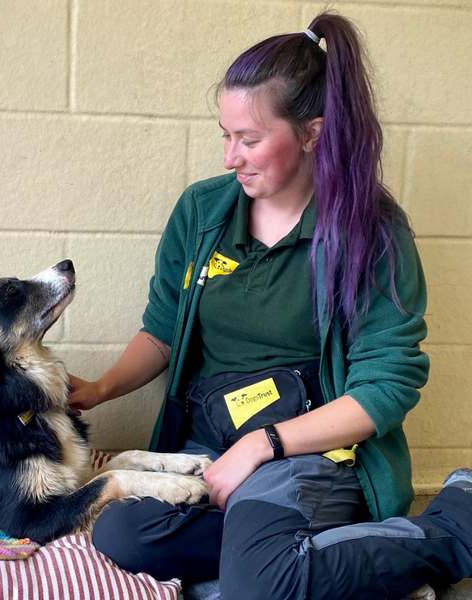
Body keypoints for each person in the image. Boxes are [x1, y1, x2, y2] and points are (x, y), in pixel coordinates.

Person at [68, 11, 472, 600]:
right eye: (225, 136)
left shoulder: (371, 230)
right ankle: (300, 556)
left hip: (310, 451)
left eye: (250, 139)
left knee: (255, 586)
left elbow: (386, 388)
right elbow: (162, 334)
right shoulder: (202, 212)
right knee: (122, 534)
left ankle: (454, 526)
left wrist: (264, 445)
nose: (232, 156)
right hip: (212, 442)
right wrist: (100, 390)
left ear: (312, 133)